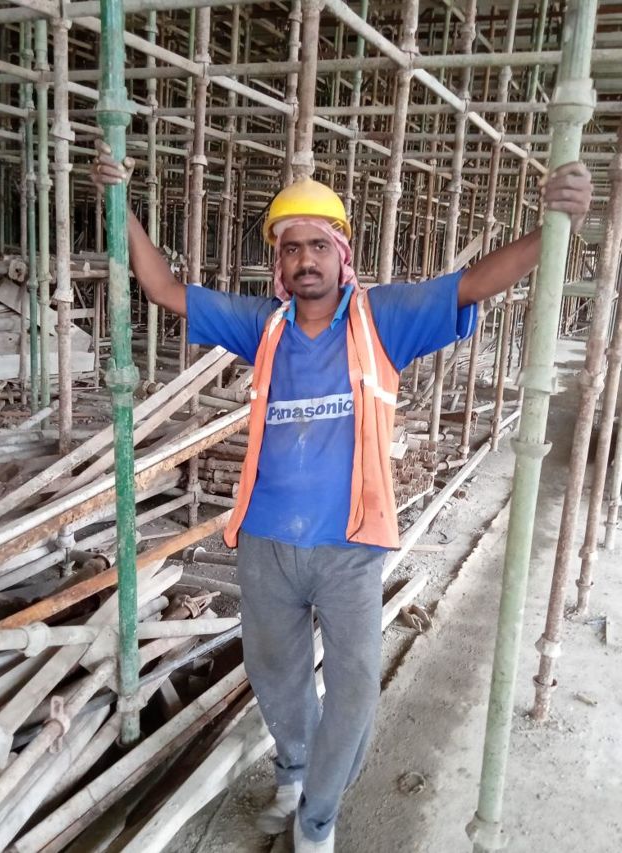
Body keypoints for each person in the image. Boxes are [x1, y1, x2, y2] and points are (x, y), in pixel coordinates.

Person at [91, 143, 591, 852]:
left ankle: (317, 817)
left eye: (318, 245)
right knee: (277, 676)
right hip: (266, 540)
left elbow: (474, 283)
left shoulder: (382, 318)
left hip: (352, 544)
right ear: (279, 262)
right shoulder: (263, 325)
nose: (305, 260)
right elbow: (165, 290)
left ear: (342, 253)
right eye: (290, 248)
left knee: (354, 689)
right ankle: (295, 770)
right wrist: (121, 204)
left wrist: (553, 224)